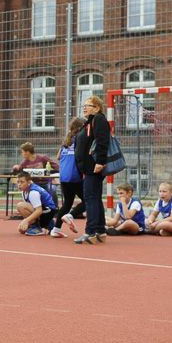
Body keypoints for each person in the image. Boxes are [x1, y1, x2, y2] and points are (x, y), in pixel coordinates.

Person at [73, 95, 111, 244]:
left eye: (88, 105)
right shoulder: (89, 122)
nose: (84, 108)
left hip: (93, 167)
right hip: (88, 167)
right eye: (84, 105)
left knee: (90, 198)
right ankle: (100, 230)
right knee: (94, 197)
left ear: (97, 108)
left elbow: (102, 141)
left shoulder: (99, 120)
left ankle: (91, 232)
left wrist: (100, 162)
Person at [50, 118, 85, 238]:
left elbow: (58, 157)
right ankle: (71, 215)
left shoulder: (66, 140)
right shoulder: (80, 139)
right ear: (81, 127)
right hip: (74, 176)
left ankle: (55, 229)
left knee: (67, 203)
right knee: (88, 200)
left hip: (64, 176)